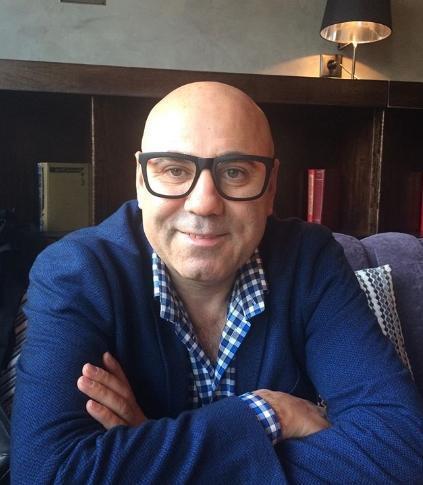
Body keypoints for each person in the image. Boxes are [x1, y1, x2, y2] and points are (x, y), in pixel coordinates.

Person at [11, 82, 423, 484]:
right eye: (175, 170)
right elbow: (47, 473)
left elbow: (403, 453)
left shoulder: (310, 260)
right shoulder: (77, 272)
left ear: (271, 188)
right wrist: (266, 415)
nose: (204, 203)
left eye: (235, 172)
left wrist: (147, 450)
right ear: (140, 180)